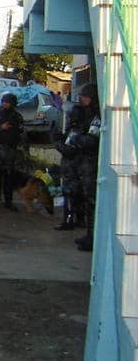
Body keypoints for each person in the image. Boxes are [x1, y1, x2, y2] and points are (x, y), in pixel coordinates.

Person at [72, 84, 101, 252]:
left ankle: (92, 237)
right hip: (86, 164)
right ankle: (90, 235)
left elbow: (91, 140)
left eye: (85, 96)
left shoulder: (96, 116)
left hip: (92, 164)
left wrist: (77, 139)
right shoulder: (87, 114)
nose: (81, 99)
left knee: (92, 202)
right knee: (88, 201)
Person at [0, 92, 24, 210]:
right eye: (4, 102)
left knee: (9, 178)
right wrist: (1, 127)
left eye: (7, 102)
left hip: (10, 151)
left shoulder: (17, 117)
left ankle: (8, 202)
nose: (5, 104)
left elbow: (22, 133)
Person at [53, 104, 85, 231]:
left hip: (72, 169)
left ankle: (69, 221)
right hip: (74, 169)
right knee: (76, 195)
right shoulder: (75, 129)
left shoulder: (77, 131)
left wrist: (57, 143)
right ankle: (77, 220)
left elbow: (69, 151)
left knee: (70, 195)